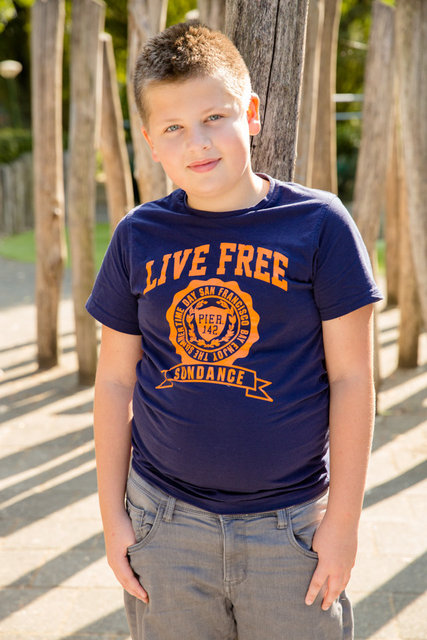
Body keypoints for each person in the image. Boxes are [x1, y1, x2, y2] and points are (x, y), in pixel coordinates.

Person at [86, 21, 383, 640]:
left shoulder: (319, 225)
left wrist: (343, 524)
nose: (198, 142)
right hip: (164, 524)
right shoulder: (138, 237)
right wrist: (114, 519)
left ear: (250, 113)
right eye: (174, 128)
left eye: (215, 116)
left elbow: (353, 377)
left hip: (292, 528)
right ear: (150, 141)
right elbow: (115, 382)